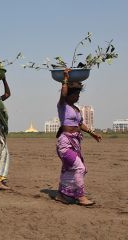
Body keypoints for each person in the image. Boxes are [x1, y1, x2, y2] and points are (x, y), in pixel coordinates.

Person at [54, 75, 101, 206]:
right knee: (79, 167)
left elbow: (81, 125)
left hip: (75, 144)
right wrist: (65, 78)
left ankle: (61, 195)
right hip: (65, 144)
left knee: (69, 169)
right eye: (76, 94)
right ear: (69, 94)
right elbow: (63, 95)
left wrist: (93, 134)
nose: (78, 97)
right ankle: (80, 196)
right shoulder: (62, 105)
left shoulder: (76, 109)